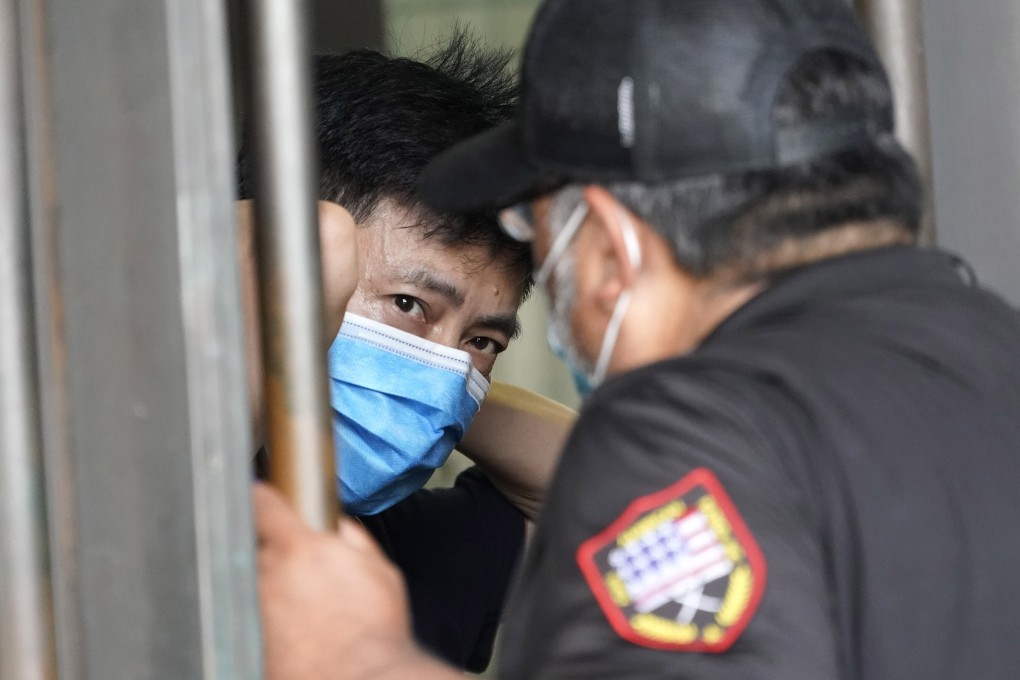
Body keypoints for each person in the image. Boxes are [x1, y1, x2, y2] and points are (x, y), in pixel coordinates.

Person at [254, 0, 1020, 678]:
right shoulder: (988, 348)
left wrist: (358, 658)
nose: (453, 370)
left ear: (612, 255)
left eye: (545, 250)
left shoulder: (692, 423)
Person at [237, 36, 573, 672]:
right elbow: (319, 237)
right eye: (411, 305)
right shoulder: (144, 490)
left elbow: (615, 490)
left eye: (483, 341)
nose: (447, 371)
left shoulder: (388, 557)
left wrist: (433, 383)